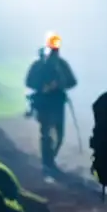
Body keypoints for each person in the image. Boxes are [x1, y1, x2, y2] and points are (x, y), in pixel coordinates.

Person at [25, 33, 77, 180]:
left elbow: (72, 81)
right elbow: (29, 82)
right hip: (43, 103)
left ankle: (50, 159)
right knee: (46, 134)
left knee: (60, 135)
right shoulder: (38, 65)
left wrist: (60, 84)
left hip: (58, 104)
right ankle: (47, 163)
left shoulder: (62, 65)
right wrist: (43, 87)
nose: (54, 53)